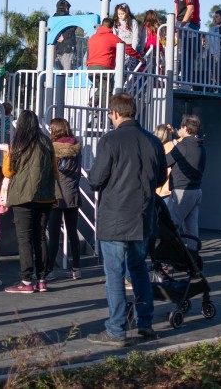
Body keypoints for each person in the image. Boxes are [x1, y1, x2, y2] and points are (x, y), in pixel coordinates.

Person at [86, 93, 165, 346]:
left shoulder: (110, 140)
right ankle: (145, 323)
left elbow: (96, 179)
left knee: (115, 274)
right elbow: (161, 178)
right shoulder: (153, 141)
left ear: (115, 113)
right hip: (142, 216)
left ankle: (116, 329)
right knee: (139, 269)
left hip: (115, 217)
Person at [2, 110, 57, 294]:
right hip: (46, 196)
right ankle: (42, 280)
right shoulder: (46, 142)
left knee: (24, 238)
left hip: (22, 197)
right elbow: (55, 170)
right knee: (40, 236)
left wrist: (7, 154)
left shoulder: (17, 143)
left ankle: (26, 281)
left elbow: (8, 172)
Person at [44, 118, 83, 281]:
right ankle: (76, 269)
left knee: (54, 235)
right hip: (73, 193)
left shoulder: (51, 148)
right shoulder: (76, 147)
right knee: (73, 233)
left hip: (56, 194)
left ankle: (49, 270)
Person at [165, 114, 206, 249]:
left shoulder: (183, 146)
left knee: (171, 224)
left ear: (185, 128)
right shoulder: (201, 146)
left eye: (181, 128)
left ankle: (167, 255)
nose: (179, 130)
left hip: (182, 190)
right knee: (191, 227)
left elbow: (165, 161)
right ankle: (192, 254)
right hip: (196, 190)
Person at [153, 125, 176, 201]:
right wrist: (175, 132)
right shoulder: (174, 147)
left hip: (156, 190)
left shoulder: (155, 148)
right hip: (168, 189)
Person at [52, 0, 77, 70]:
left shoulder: (53, 19)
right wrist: (64, 37)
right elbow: (73, 27)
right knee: (67, 73)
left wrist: (57, 37)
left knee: (58, 73)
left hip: (55, 49)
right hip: (67, 49)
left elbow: (51, 31)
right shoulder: (70, 19)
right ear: (66, 8)